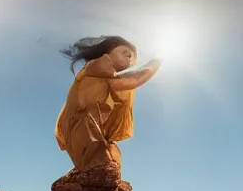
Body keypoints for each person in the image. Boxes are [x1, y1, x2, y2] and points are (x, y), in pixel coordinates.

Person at [54, 36, 162, 173]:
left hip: (86, 128)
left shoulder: (103, 79)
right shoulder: (99, 65)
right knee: (101, 169)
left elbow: (134, 79)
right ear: (109, 50)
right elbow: (135, 78)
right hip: (84, 125)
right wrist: (156, 61)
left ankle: (82, 177)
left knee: (108, 162)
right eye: (126, 53)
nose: (129, 60)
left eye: (132, 59)